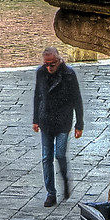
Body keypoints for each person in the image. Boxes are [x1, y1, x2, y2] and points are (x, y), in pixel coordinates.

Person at [32, 44, 84, 205]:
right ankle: (51, 193)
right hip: (45, 120)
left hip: (63, 121)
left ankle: (65, 180)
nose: (48, 67)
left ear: (59, 60)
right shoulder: (40, 73)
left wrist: (79, 124)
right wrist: (35, 119)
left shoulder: (69, 75)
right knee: (46, 158)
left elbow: (77, 100)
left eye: (52, 64)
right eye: (46, 64)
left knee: (60, 154)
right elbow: (37, 96)